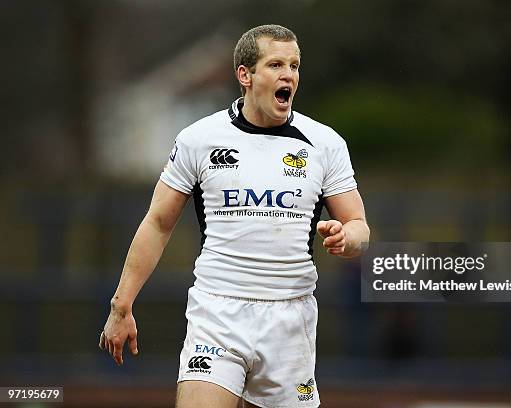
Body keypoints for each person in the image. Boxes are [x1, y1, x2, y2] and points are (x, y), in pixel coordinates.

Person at [99, 24, 369, 408]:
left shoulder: (324, 144)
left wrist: (348, 238)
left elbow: (360, 227)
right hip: (218, 311)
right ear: (245, 75)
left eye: (294, 66)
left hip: (289, 318)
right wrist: (121, 304)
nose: (288, 75)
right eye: (275, 64)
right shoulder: (199, 139)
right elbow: (158, 222)